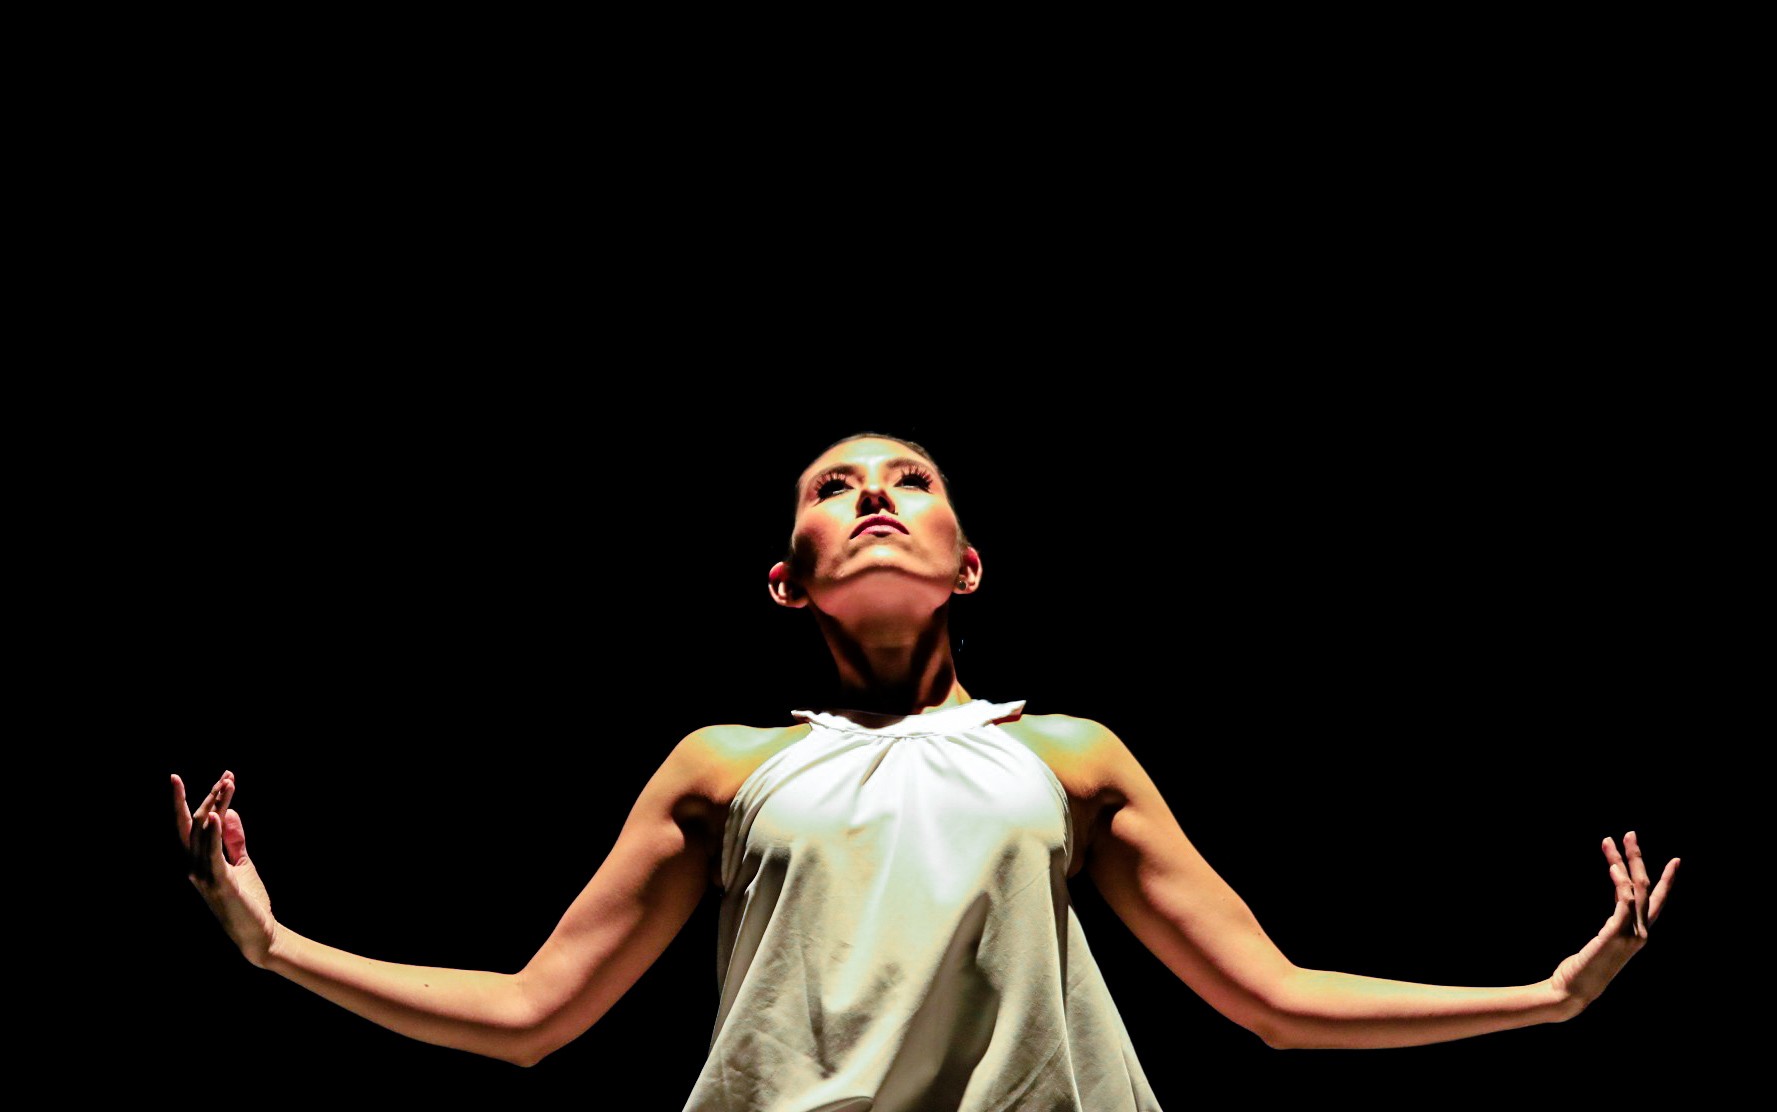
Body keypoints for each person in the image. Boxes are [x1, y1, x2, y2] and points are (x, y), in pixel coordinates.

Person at [171, 431, 1681, 1110]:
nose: (876, 498)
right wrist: (275, 947)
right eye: (836, 487)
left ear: (968, 564)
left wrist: (1546, 998)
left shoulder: (1067, 753)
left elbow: (1273, 1001)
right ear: (786, 577)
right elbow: (529, 1017)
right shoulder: (723, 766)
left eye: (911, 481)